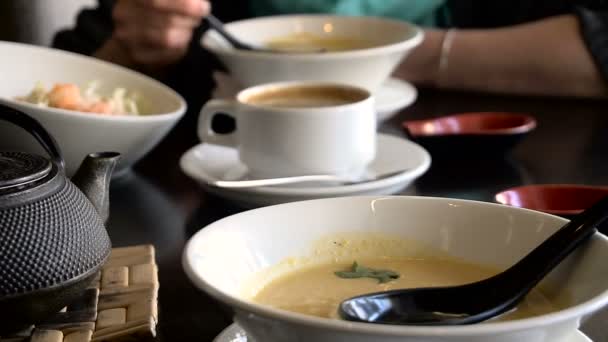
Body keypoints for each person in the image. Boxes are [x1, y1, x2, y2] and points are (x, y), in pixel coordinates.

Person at [54, 0, 608, 134]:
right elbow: (60, 87)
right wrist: (136, 44)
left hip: (483, 173)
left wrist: (372, 55)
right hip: (230, 179)